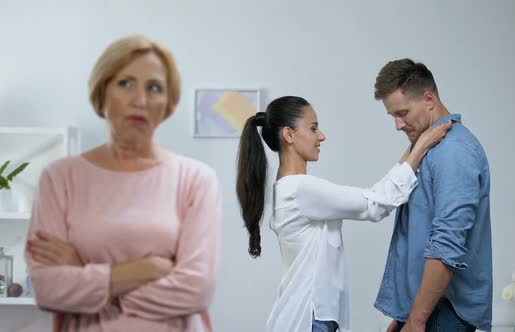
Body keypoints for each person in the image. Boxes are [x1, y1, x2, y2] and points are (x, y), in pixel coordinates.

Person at [25, 35, 222, 332]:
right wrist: (147, 270)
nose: (140, 100)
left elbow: (197, 289)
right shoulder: (59, 178)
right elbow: (47, 288)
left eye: (154, 87)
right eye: (125, 83)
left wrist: (84, 275)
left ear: (167, 103)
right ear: (102, 93)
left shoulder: (196, 180)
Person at [235, 96, 450, 332]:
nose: (321, 136)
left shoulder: (290, 188)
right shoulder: (301, 189)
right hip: (307, 319)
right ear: (289, 135)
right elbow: (376, 205)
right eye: (313, 128)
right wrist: (421, 146)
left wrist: (413, 149)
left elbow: (377, 195)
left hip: (308, 318)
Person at [372, 59, 492, 332]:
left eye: (402, 113)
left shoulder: (454, 151)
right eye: (393, 116)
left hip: (442, 313)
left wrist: (416, 319)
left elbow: (447, 243)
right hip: (428, 311)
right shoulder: (430, 148)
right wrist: (404, 316)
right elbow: (418, 235)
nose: (398, 125)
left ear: (428, 99)